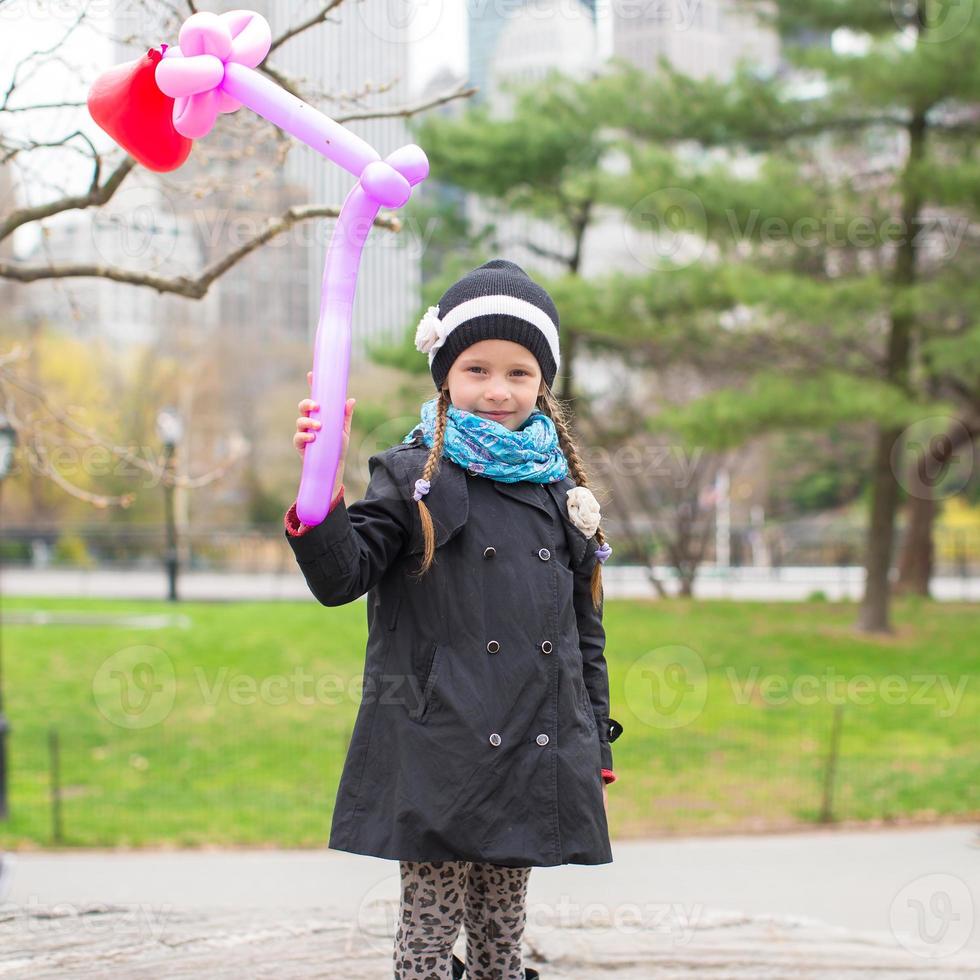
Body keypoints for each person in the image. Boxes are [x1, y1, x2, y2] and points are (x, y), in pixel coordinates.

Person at [283, 259, 623, 979]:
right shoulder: (413, 477)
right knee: (427, 941)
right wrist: (322, 485)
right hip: (440, 744)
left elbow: (581, 632)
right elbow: (343, 577)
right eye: (476, 368)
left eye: (519, 372)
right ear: (445, 374)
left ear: (543, 383)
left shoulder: (561, 488)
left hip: (532, 742)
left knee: (503, 937)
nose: (498, 390)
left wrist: (594, 736)